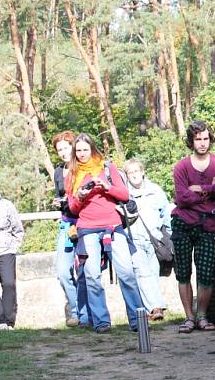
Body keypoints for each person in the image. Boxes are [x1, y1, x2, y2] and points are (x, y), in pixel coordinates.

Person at [66, 134, 143, 333]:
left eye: (85, 149)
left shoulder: (107, 168)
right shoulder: (72, 175)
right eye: (79, 151)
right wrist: (81, 196)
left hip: (113, 225)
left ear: (92, 149)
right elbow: (73, 209)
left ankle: (137, 319)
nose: (82, 154)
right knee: (91, 276)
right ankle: (101, 322)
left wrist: (107, 187)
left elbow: (124, 195)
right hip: (87, 228)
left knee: (126, 273)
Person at [171, 120, 215, 333]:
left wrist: (201, 188)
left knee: (206, 272)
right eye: (198, 139)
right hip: (183, 223)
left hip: (208, 224)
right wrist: (211, 191)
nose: (202, 143)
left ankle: (202, 315)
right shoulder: (181, 166)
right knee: (183, 272)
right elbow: (181, 197)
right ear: (191, 141)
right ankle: (189, 317)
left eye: (205, 138)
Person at [125, 159, 172, 321]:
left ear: (142, 172)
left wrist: (169, 234)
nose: (134, 175)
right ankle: (156, 307)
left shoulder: (155, 190)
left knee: (152, 273)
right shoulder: (124, 194)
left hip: (155, 239)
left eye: (136, 171)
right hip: (134, 240)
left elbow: (165, 213)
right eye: (130, 173)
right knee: (142, 273)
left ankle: (148, 309)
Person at [52, 131, 87, 327]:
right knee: (63, 272)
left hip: (83, 223)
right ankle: (74, 310)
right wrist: (58, 202)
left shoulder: (83, 169)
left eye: (65, 148)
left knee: (84, 271)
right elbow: (59, 195)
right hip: (66, 224)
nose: (63, 152)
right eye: (59, 150)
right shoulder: (58, 171)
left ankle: (84, 313)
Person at [0, 192, 24, 330]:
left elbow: (18, 229)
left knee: (8, 284)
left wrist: (14, 247)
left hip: (6, 251)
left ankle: (9, 321)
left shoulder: (7, 205)